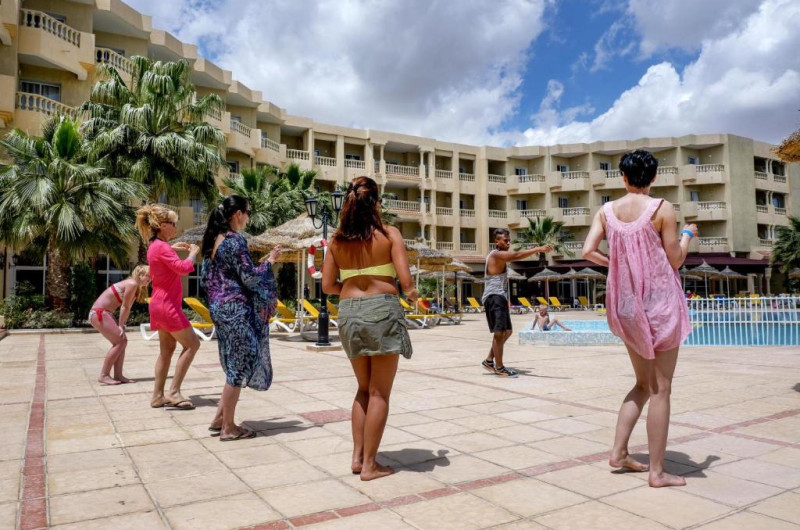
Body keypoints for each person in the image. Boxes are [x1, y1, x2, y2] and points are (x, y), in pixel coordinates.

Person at [583, 149, 697, 488]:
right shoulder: (662, 208)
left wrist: (616, 264)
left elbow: (587, 250)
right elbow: (675, 260)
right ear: (655, 177)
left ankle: (619, 453)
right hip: (659, 303)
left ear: (623, 176)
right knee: (661, 389)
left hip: (626, 305)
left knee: (642, 384)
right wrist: (688, 235)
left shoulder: (606, 211)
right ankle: (657, 472)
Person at [322, 176, 416, 481]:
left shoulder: (337, 240)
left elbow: (327, 285)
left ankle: (357, 457)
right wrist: (412, 294)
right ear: (376, 203)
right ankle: (370, 466)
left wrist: (354, 289)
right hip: (382, 309)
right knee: (379, 393)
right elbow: (407, 283)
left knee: (363, 389)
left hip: (348, 311)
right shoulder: (389, 234)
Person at [201, 196, 281, 441]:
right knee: (238, 367)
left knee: (235, 362)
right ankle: (228, 428)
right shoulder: (235, 240)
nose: (248, 217)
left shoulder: (214, 241)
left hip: (219, 308)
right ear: (237, 214)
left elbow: (208, 279)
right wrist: (269, 262)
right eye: (248, 212)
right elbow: (250, 278)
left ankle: (219, 419)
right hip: (235, 309)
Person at [136, 204, 201, 410]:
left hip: (158, 304)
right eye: (173, 223)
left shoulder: (154, 245)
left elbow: (159, 257)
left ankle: (157, 396)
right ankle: (174, 392)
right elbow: (183, 268)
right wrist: (193, 253)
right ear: (163, 225)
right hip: (168, 306)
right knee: (192, 345)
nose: (175, 227)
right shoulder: (162, 247)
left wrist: (172, 247)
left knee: (166, 351)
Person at [482, 229, 553, 377]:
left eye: (509, 240)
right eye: (505, 240)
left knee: (507, 331)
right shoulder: (496, 255)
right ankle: (499, 368)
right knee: (499, 333)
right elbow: (516, 256)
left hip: (500, 297)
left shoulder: (498, 255)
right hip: (494, 297)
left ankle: (489, 360)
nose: (508, 243)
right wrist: (538, 249)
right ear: (496, 242)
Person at [89, 265, 151, 385]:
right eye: (148, 275)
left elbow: (127, 308)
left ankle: (118, 375)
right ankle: (104, 375)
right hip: (99, 313)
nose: (150, 278)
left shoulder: (135, 287)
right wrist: (121, 325)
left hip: (104, 314)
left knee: (122, 341)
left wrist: (122, 324)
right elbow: (125, 307)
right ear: (140, 275)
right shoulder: (132, 283)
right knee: (120, 342)